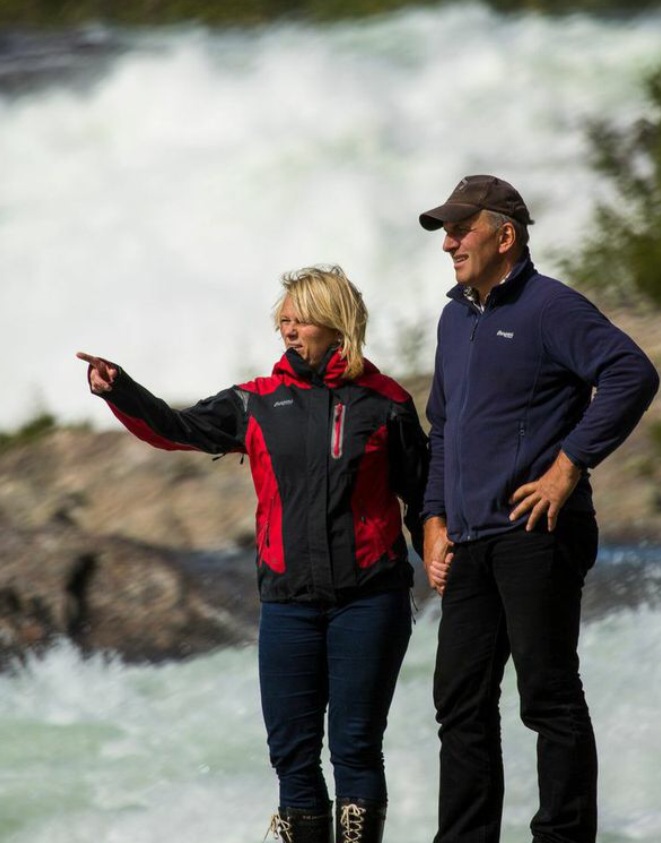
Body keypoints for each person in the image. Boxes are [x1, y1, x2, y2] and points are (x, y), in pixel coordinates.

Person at [77, 264, 429, 843]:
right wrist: (121, 389)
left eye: (301, 320)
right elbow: (176, 428)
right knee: (292, 756)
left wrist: (441, 551)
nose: (288, 330)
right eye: (283, 321)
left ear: (337, 324)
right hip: (288, 605)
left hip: (370, 600)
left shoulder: (385, 403)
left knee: (356, 748)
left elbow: (421, 493)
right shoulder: (256, 402)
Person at [417, 175, 659, 843]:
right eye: (445, 230)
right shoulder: (453, 316)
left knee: (545, 695)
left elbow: (631, 374)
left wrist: (566, 465)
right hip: (468, 538)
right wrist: (434, 519)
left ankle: (562, 835)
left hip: (536, 528)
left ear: (505, 235)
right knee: (458, 702)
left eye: (460, 228)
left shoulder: (551, 308)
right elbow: (443, 428)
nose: (448, 242)